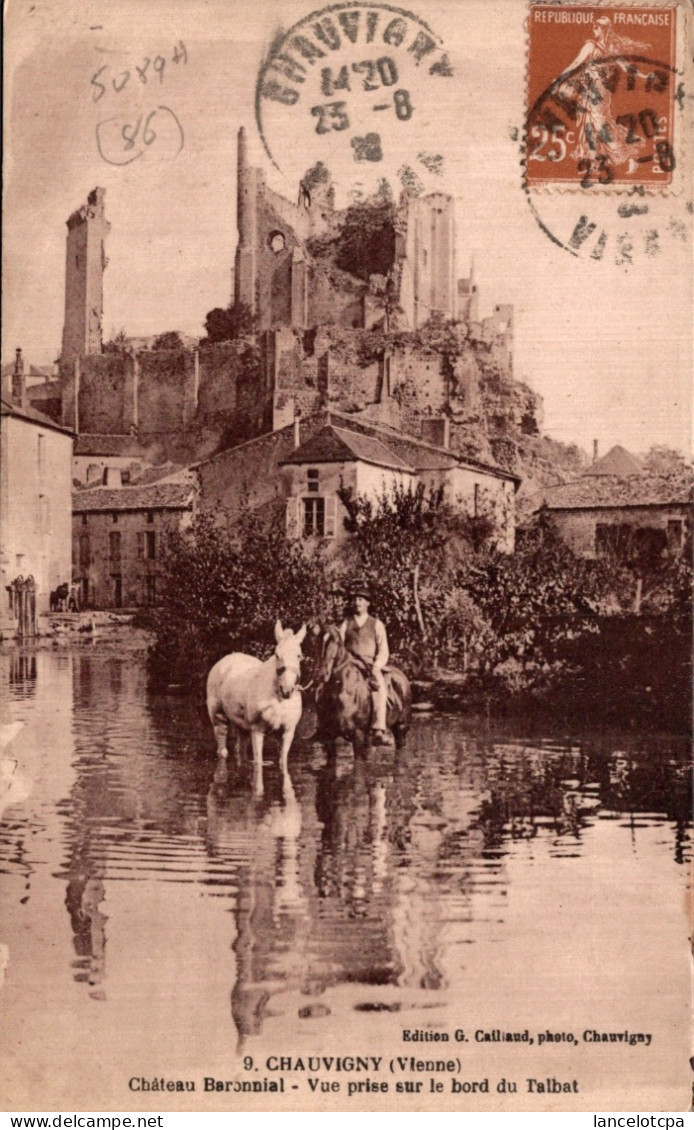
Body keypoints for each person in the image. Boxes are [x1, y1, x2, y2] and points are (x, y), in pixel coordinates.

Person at [339, 580, 394, 747]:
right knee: (327, 685)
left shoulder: (376, 624)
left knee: (379, 688)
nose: (357, 602)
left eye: (361, 599)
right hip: (349, 663)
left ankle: (378, 728)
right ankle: (323, 726)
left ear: (368, 603)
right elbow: (339, 644)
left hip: (369, 664)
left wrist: (377, 664)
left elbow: (383, 649)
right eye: (355, 599)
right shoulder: (346, 623)